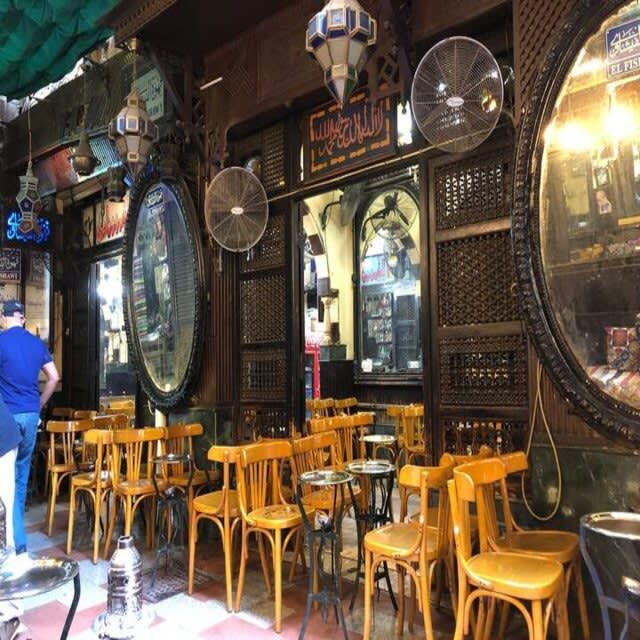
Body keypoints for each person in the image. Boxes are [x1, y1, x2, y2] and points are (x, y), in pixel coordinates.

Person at [0, 300, 59, 554]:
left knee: (5, 480)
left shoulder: (1, 341)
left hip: (7, 418)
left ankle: (12, 542)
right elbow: (54, 377)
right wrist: (39, 403)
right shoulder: (36, 344)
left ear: (4, 318)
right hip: (30, 416)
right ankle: (18, 536)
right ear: (22, 318)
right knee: (21, 476)